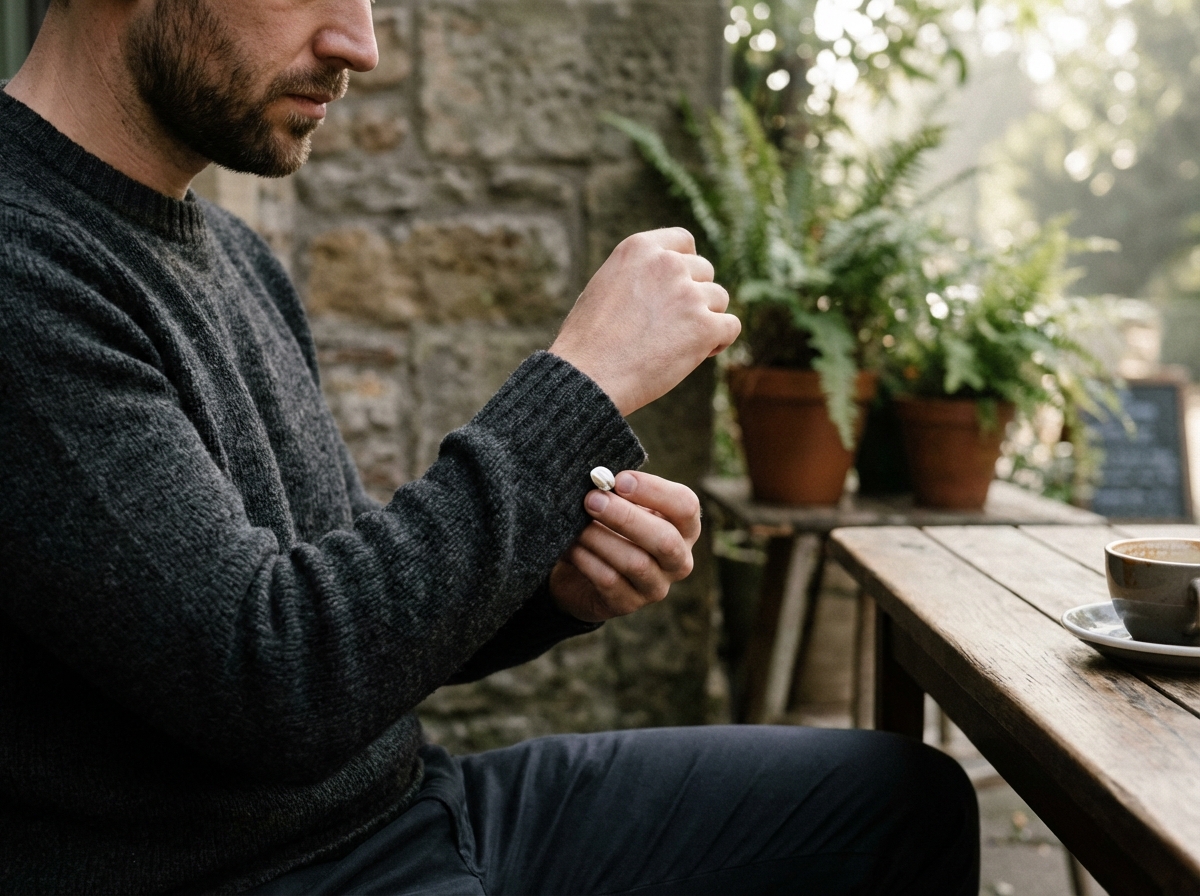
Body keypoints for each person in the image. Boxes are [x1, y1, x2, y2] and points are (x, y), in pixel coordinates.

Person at [0, 0, 979, 892]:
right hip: (272, 871)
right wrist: (578, 389)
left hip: (420, 808)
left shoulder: (237, 256)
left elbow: (343, 607)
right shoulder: (23, 267)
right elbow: (279, 676)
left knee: (899, 802)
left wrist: (547, 588)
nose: (361, 45)